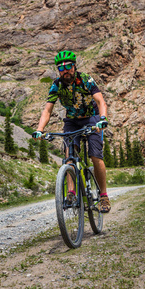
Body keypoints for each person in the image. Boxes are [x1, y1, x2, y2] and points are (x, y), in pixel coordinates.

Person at [32, 50, 111, 213]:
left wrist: (102, 119)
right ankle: (71, 194)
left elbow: (100, 101)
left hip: (92, 118)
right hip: (72, 121)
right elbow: (47, 110)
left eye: (68, 66)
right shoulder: (56, 85)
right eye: (61, 68)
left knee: (95, 155)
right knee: (69, 157)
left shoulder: (86, 80)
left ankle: (103, 196)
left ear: (74, 66)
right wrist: (40, 130)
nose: (65, 70)